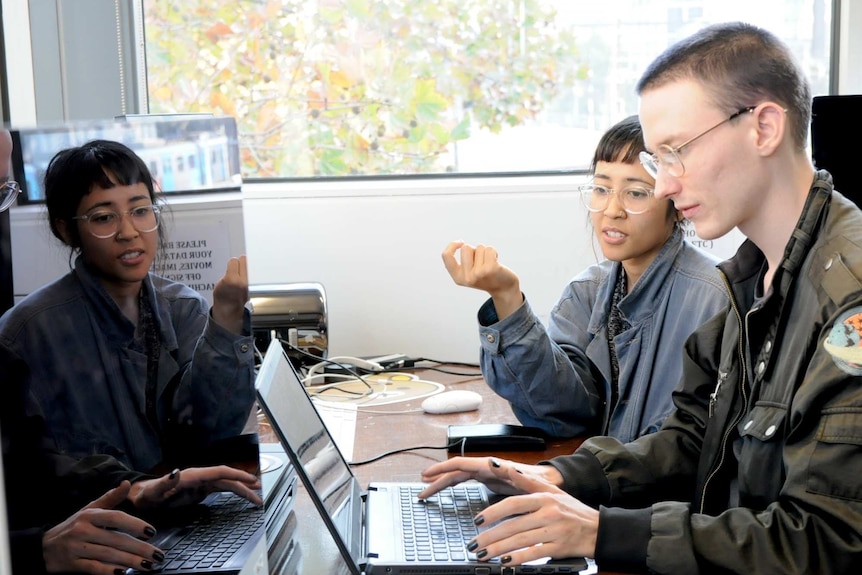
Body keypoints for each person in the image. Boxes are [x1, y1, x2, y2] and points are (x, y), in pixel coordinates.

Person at [418, 21, 862, 574]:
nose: (666, 186)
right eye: (659, 160)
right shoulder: (751, 279)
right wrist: (559, 476)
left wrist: (603, 532)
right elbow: (693, 438)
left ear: (765, 127)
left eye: (677, 152)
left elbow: (825, 539)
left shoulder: (849, 297)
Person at [0, 130, 261, 574]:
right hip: (96, 545)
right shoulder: (26, 333)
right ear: (67, 229)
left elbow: (210, 431)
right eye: (103, 217)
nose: (128, 233)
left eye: (141, 211)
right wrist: (142, 488)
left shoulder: (185, 307)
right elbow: (31, 476)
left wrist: (228, 322)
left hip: (190, 526)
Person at [442, 115, 727, 440]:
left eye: (635, 193)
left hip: (655, 489)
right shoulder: (587, 291)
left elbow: (682, 443)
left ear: (676, 199)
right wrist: (506, 297)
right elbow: (563, 412)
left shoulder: (713, 297)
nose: (612, 210)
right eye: (602, 189)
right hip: (595, 480)